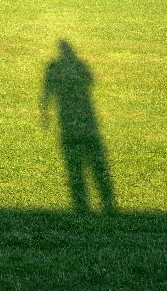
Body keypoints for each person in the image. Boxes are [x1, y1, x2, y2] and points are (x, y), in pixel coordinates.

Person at [41, 40, 115, 213]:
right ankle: (105, 202)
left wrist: (45, 112)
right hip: (85, 120)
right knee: (94, 164)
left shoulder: (54, 67)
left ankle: (81, 203)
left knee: (74, 165)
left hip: (68, 120)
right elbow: (90, 80)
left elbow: (47, 91)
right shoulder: (79, 65)